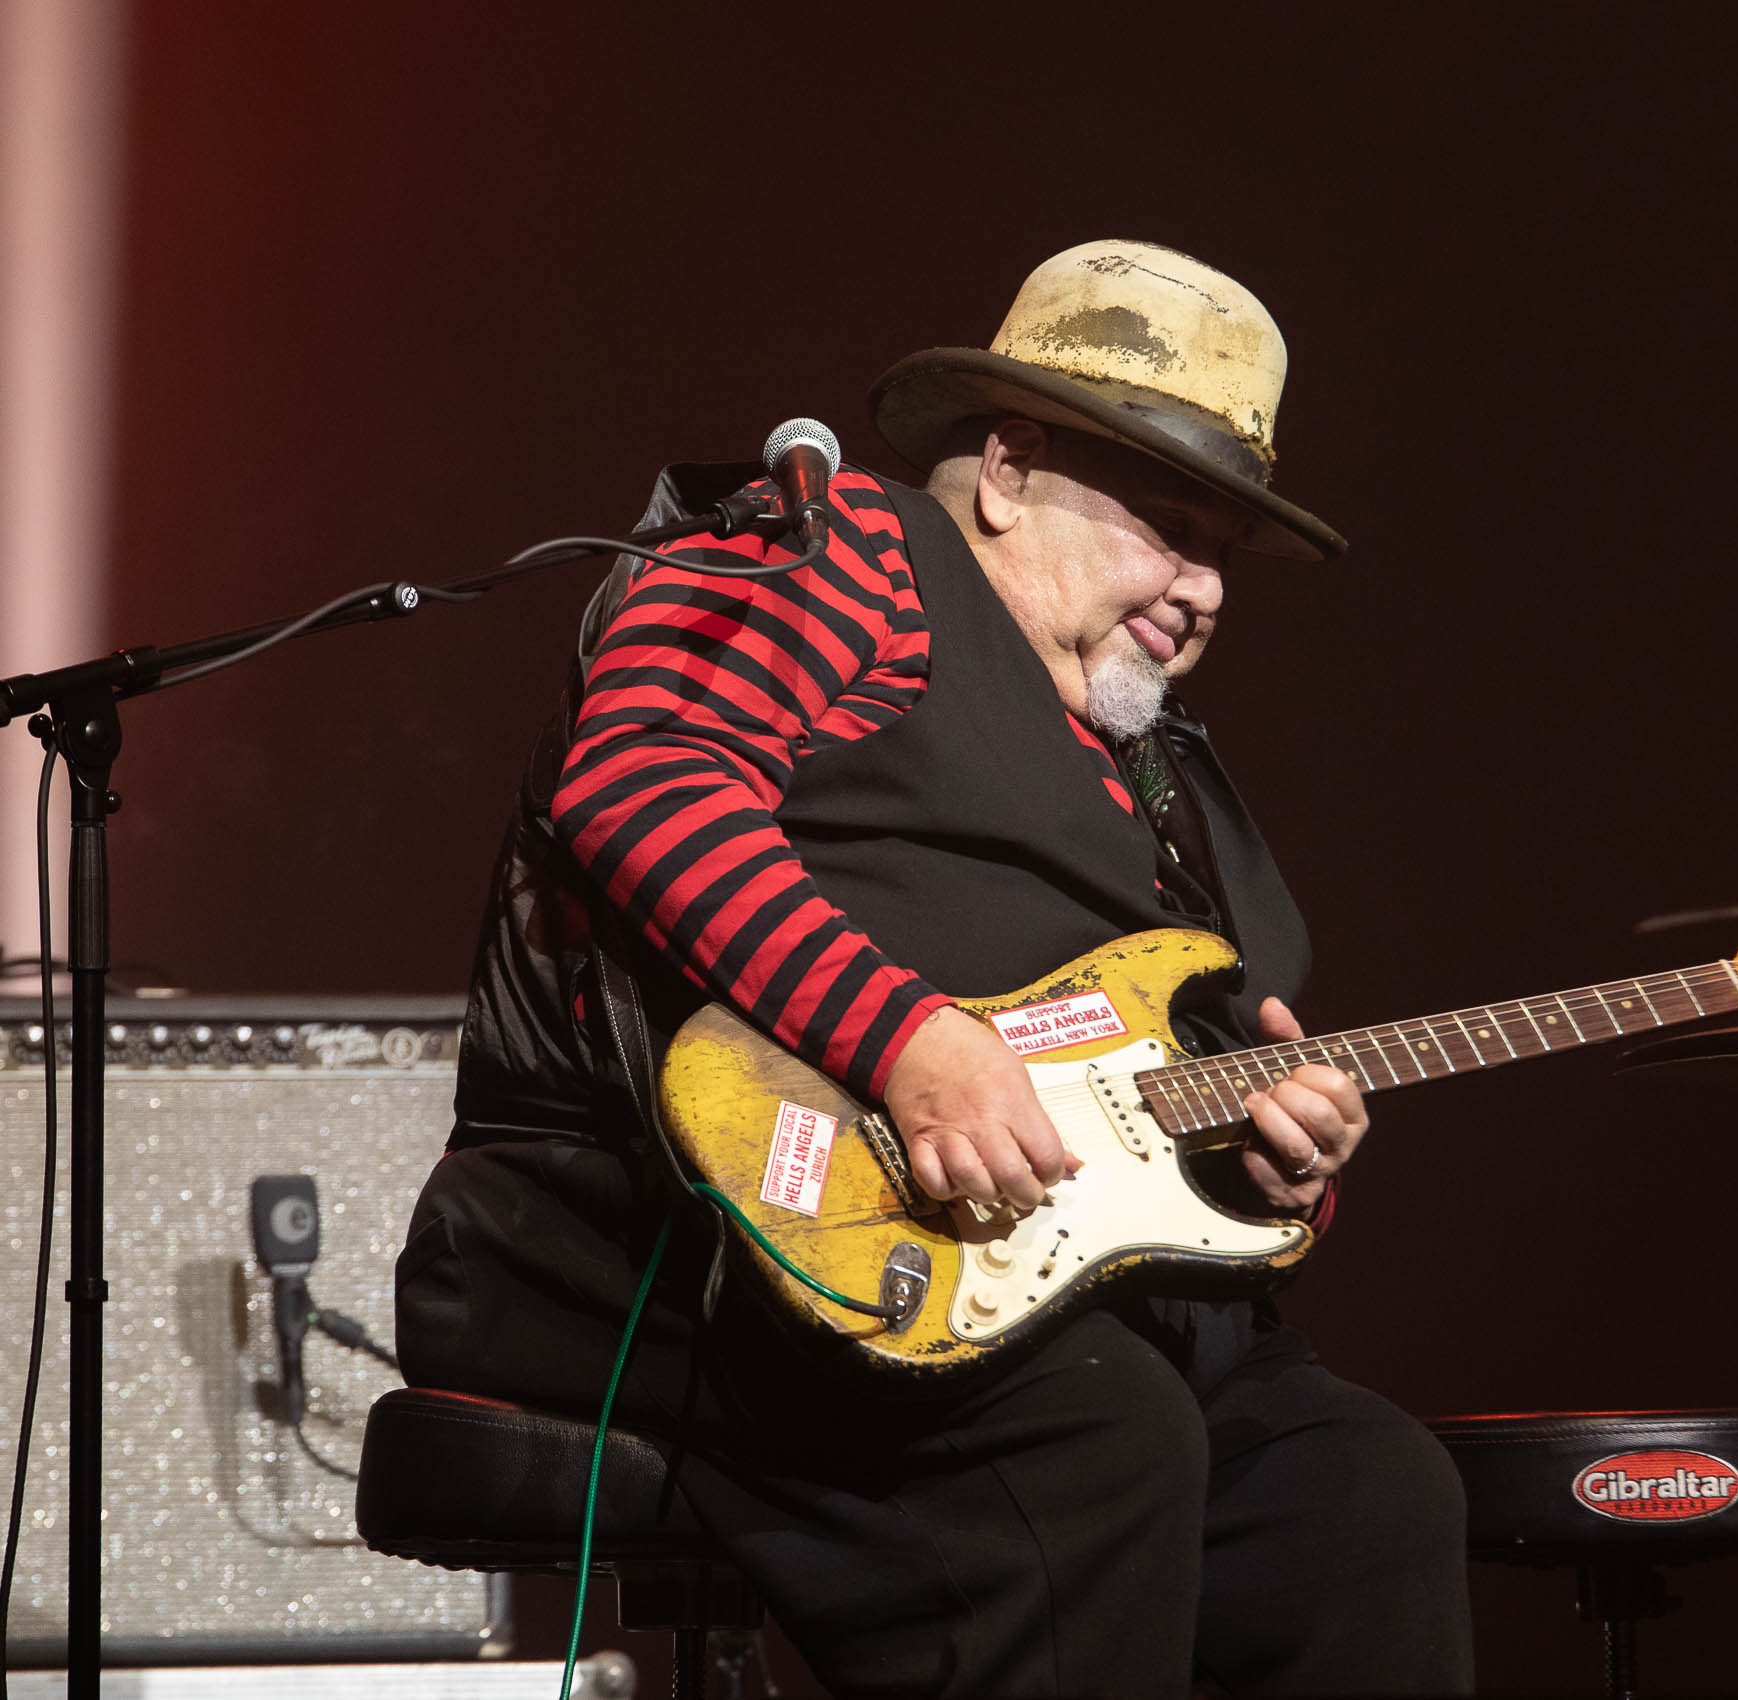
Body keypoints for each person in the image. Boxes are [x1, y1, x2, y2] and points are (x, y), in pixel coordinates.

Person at [394, 241, 1475, 1694]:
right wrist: (907, 1043)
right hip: (678, 1240)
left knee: (1363, 1495)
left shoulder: (1158, 777)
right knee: (1096, 1446)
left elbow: (1150, 1103)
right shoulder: (849, 552)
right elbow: (641, 777)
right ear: (1010, 471)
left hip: (1059, 1293)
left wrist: (1275, 1165)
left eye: (1224, 552)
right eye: (1170, 528)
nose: (1207, 588)